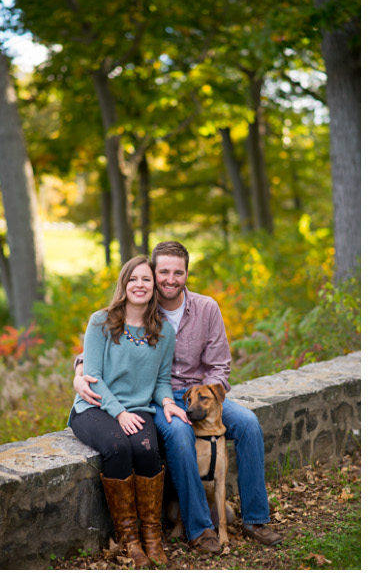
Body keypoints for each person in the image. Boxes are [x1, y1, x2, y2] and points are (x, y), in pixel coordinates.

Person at [74, 241, 283, 551]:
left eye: (178, 272)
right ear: (153, 274)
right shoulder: (142, 304)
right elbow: (100, 346)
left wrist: (208, 400)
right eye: (163, 272)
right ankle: (199, 529)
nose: (170, 279)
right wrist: (78, 374)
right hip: (158, 397)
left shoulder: (207, 308)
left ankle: (255, 519)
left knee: (249, 424)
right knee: (179, 433)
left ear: (187, 274)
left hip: (203, 395)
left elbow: (220, 365)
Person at [68, 255, 181, 567]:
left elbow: (160, 381)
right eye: (134, 279)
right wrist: (118, 412)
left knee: (146, 450)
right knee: (118, 448)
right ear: (124, 283)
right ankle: (129, 539)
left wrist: (168, 402)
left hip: (138, 409)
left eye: (146, 279)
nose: (140, 285)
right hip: (93, 407)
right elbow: (92, 377)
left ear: (154, 286)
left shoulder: (163, 331)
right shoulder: (100, 321)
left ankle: (152, 537)